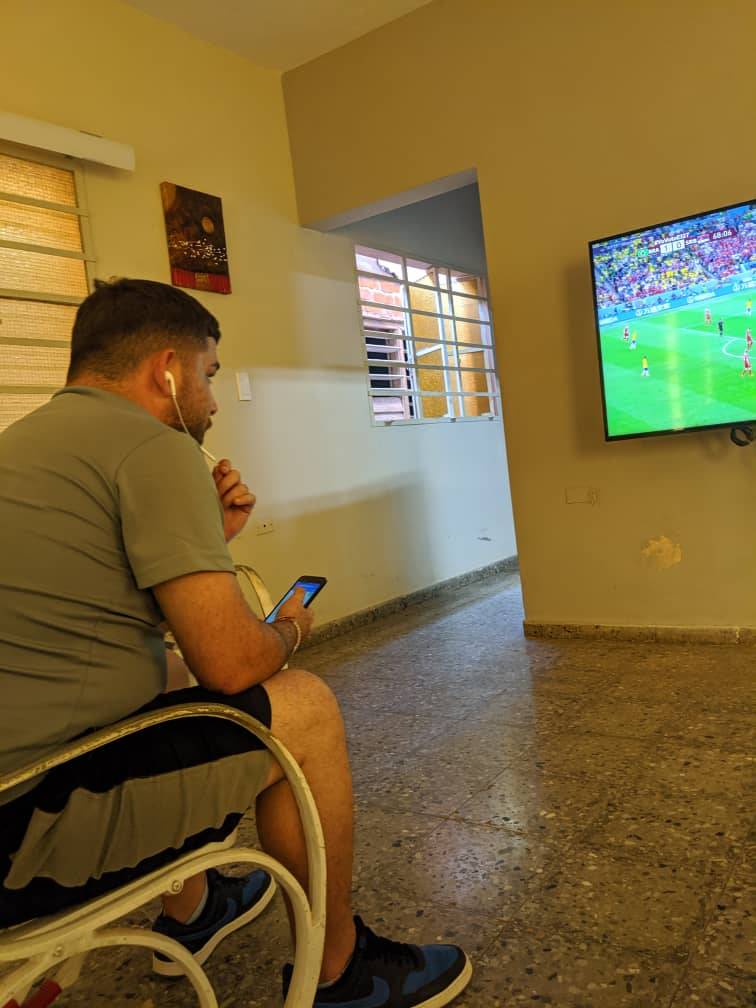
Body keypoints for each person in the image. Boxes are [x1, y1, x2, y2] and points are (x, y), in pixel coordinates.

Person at [0, 279, 471, 1008]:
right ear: (168, 370)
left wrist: (209, 539)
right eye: (210, 374)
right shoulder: (153, 448)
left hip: (20, 773)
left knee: (165, 672)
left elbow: (96, 619)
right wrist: (290, 628)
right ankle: (342, 971)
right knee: (303, 707)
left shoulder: (23, 446)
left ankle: (193, 910)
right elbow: (233, 664)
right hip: (27, 833)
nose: (214, 401)